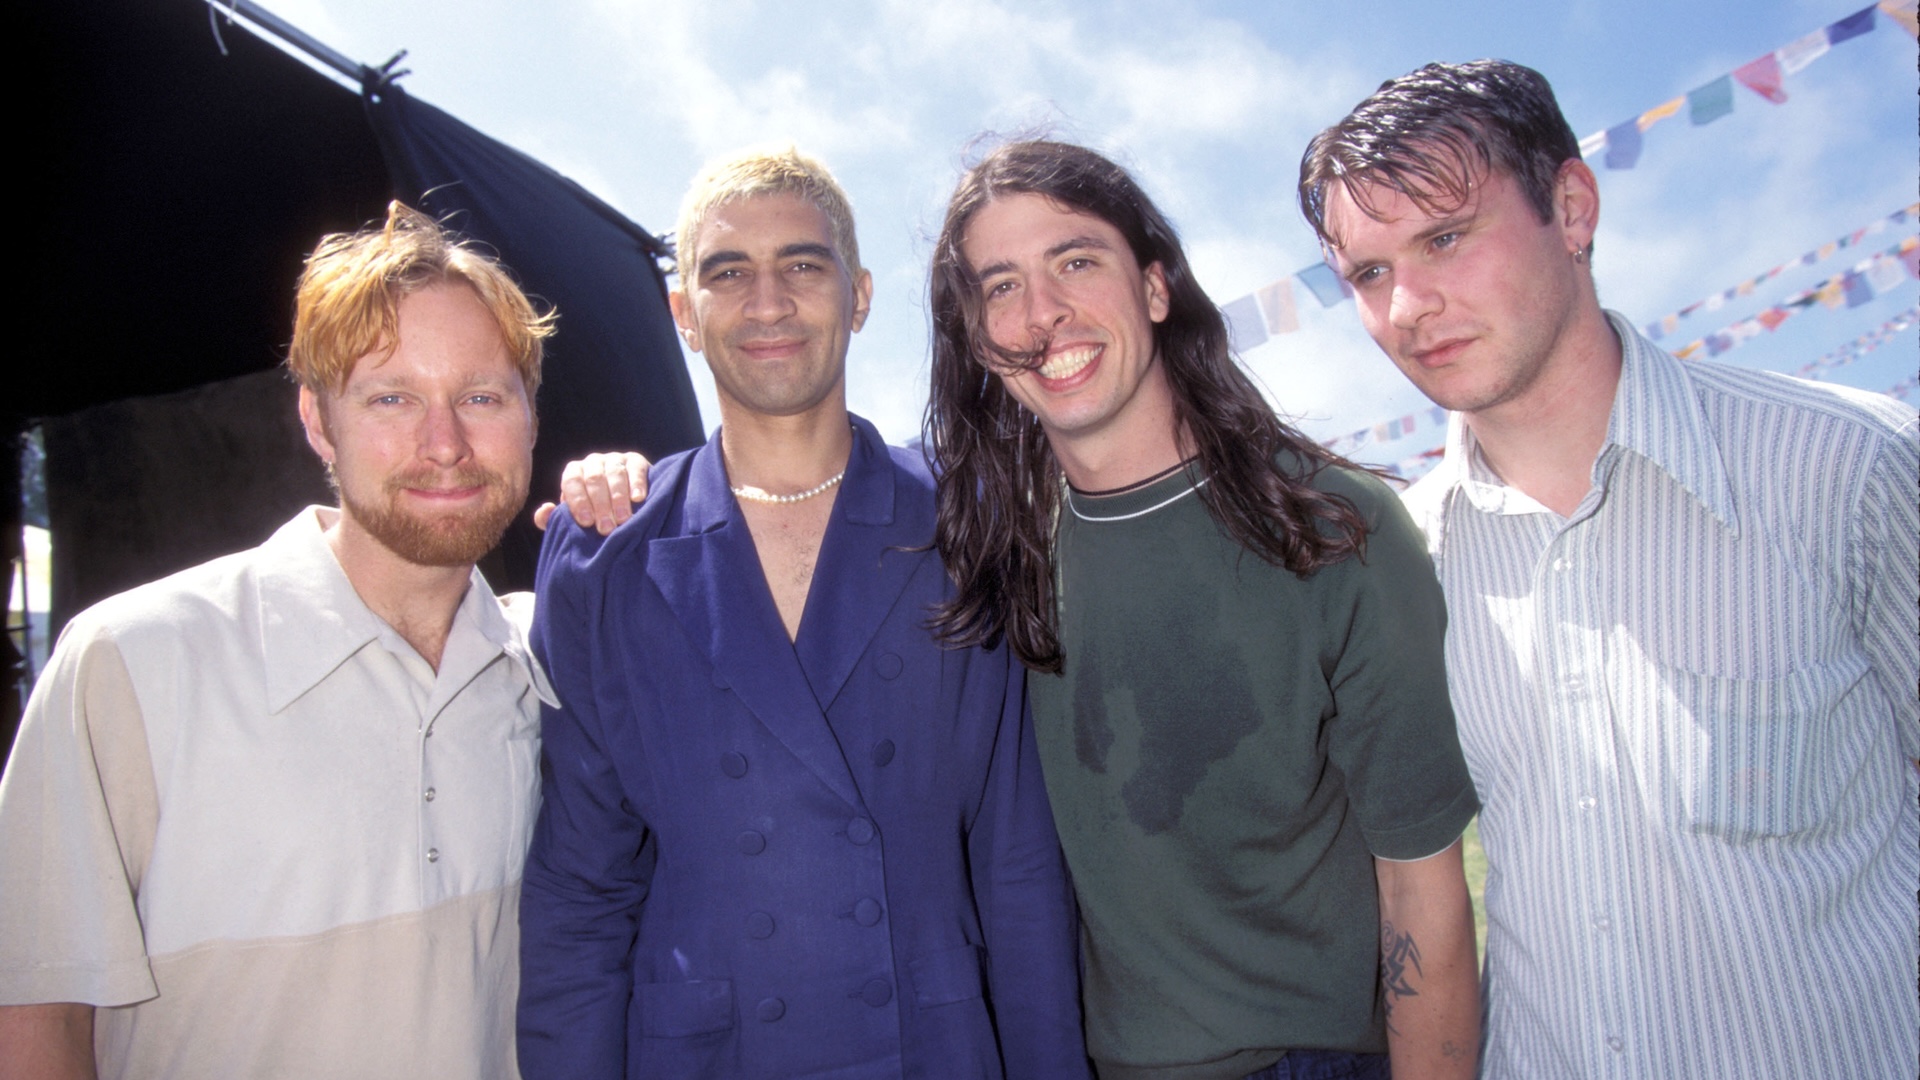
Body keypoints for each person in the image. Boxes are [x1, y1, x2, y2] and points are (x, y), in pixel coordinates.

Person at [1298, 59, 1920, 1079]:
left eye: (1446, 237)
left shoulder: (1848, 466)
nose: (1408, 304)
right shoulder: (1397, 565)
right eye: (1368, 274)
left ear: (1573, 207)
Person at [516, 145, 1088, 1080]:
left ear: (858, 296)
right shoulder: (602, 553)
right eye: (727, 272)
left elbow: (1017, 858)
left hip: (934, 1049)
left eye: (803, 265)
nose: (768, 301)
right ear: (683, 315)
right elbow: (582, 890)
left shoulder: (966, 520)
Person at [924, 139, 1481, 1080]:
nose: (1044, 313)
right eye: (1001, 286)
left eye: (1074, 261)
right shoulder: (989, 559)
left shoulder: (1336, 529)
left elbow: (1427, 900)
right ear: (978, 340)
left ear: (1153, 286)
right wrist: (621, 494)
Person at [0, 201, 556, 1078]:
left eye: (481, 396)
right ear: (316, 421)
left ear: (530, 417)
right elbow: (34, 1025)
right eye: (392, 397)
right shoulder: (128, 662)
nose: (443, 444)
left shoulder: (547, 670)